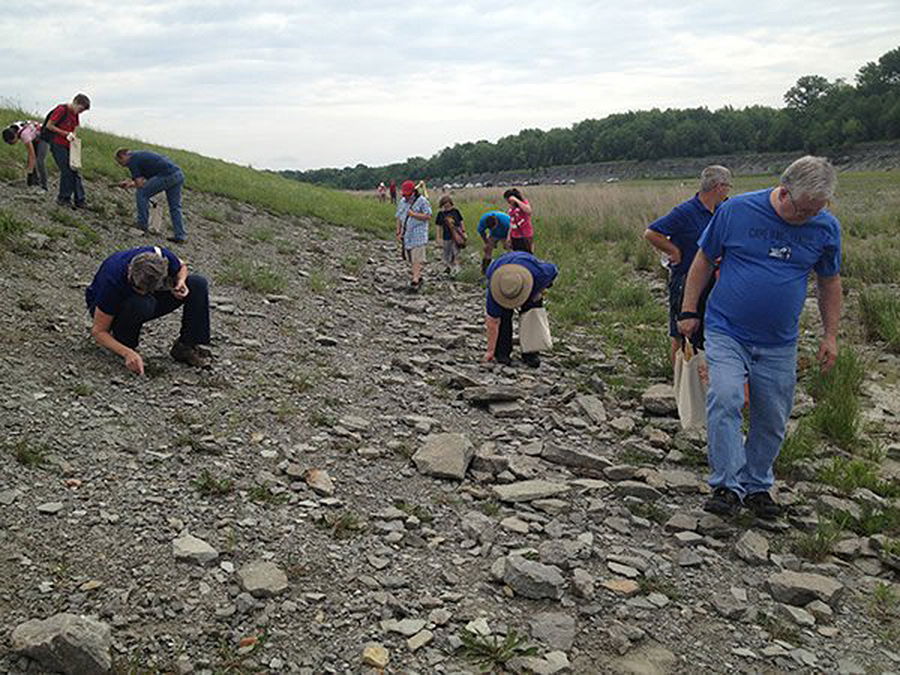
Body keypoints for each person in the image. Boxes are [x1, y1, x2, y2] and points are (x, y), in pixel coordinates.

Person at [678, 156, 842, 519]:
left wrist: (830, 335)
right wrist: (689, 311)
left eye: (818, 209)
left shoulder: (825, 227)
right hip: (726, 330)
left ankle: (756, 486)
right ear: (784, 192)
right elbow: (704, 260)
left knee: (772, 416)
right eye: (804, 210)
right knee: (726, 397)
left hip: (780, 342)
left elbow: (829, 282)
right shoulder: (736, 211)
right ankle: (726, 485)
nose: (809, 217)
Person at [644, 165, 732, 362]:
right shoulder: (686, 211)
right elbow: (651, 233)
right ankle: (680, 382)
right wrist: (673, 251)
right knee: (681, 332)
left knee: (705, 330)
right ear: (719, 187)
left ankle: (701, 376)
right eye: (728, 187)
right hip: (684, 279)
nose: (728, 192)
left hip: (712, 280)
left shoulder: (721, 211)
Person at [85, 245, 211, 375]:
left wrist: (181, 282)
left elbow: (182, 267)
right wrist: (127, 353)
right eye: (139, 288)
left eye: (150, 289)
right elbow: (98, 331)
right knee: (141, 303)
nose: (144, 292)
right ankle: (125, 344)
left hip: (143, 300)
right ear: (130, 270)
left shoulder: (160, 256)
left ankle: (185, 346)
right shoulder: (112, 281)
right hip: (108, 308)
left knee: (197, 284)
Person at [484, 251, 558, 368]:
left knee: (532, 309)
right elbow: (493, 321)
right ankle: (502, 353)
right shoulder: (494, 288)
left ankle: (531, 352)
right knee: (503, 314)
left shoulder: (540, 273)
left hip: (530, 278)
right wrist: (490, 351)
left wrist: (539, 290)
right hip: (503, 276)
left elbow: (554, 270)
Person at [115, 148, 187, 243]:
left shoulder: (132, 161)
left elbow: (140, 184)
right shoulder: (140, 155)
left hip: (167, 175)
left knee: (142, 194)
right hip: (178, 174)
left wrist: (131, 183)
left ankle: (142, 225)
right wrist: (130, 184)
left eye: (120, 162)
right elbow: (146, 180)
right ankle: (180, 235)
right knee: (175, 207)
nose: (122, 165)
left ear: (124, 156)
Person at [43, 93, 90, 208]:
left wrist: (73, 137)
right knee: (66, 170)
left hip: (69, 145)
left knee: (75, 171)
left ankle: (80, 200)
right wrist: (65, 133)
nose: (80, 112)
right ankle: (63, 198)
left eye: (82, 111)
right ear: (75, 102)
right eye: (80, 109)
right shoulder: (61, 110)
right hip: (57, 143)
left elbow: (74, 128)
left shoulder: (75, 115)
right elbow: (49, 125)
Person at [395, 180, 432, 292]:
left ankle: (415, 279)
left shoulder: (422, 201)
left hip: (418, 233)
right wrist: (398, 232)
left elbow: (428, 215)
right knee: (410, 258)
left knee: (417, 257)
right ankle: (418, 277)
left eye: (408, 194)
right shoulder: (402, 202)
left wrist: (414, 215)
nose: (406, 197)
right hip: (407, 234)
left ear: (413, 192)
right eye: (404, 194)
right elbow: (398, 217)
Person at [3, 120, 49, 191]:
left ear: (15, 135)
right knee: (30, 160)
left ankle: (44, 186)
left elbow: (32, 156)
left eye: (12, 142)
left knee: (39, 161)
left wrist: (29, 174)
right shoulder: (9, 129)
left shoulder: (24, 135)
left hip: (43, 135)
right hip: (33, 135)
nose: (11, 144)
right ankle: (34, 182)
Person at [435, 195, 464, 275]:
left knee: (456, 252)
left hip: (457, 236)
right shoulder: (440, 214)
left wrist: (463, 232)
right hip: (446, 236)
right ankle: (449, 268)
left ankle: (456, 269)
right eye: (445, 205)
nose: (447, 207)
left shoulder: (456, 211)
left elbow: (461, 221)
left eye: (448, 205)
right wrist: (438, 237)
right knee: (447, 253)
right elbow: (438, 226)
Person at [477, 210, 512, 275]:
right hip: (493, 235)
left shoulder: (505, 220)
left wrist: (508, 239)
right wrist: (486, 242)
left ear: (497, 222)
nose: (493, 228)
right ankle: (484, 269)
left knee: (509, 249)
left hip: (505, 233)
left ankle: (510, 267)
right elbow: (482, 232)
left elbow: (511, 229)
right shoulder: (483, 221)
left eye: (494, 227)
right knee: (487, 249)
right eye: (491, 228)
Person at [504, 188, 534, 252]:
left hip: (525, 235)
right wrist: (508, 236)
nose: (508, 203)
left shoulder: (523, 203)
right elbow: (511, 223)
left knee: (527, 255)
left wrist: (516, 200)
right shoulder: (511, 207)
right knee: (516, 255)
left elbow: (529, 211)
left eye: (509, 201)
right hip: (514, 235)